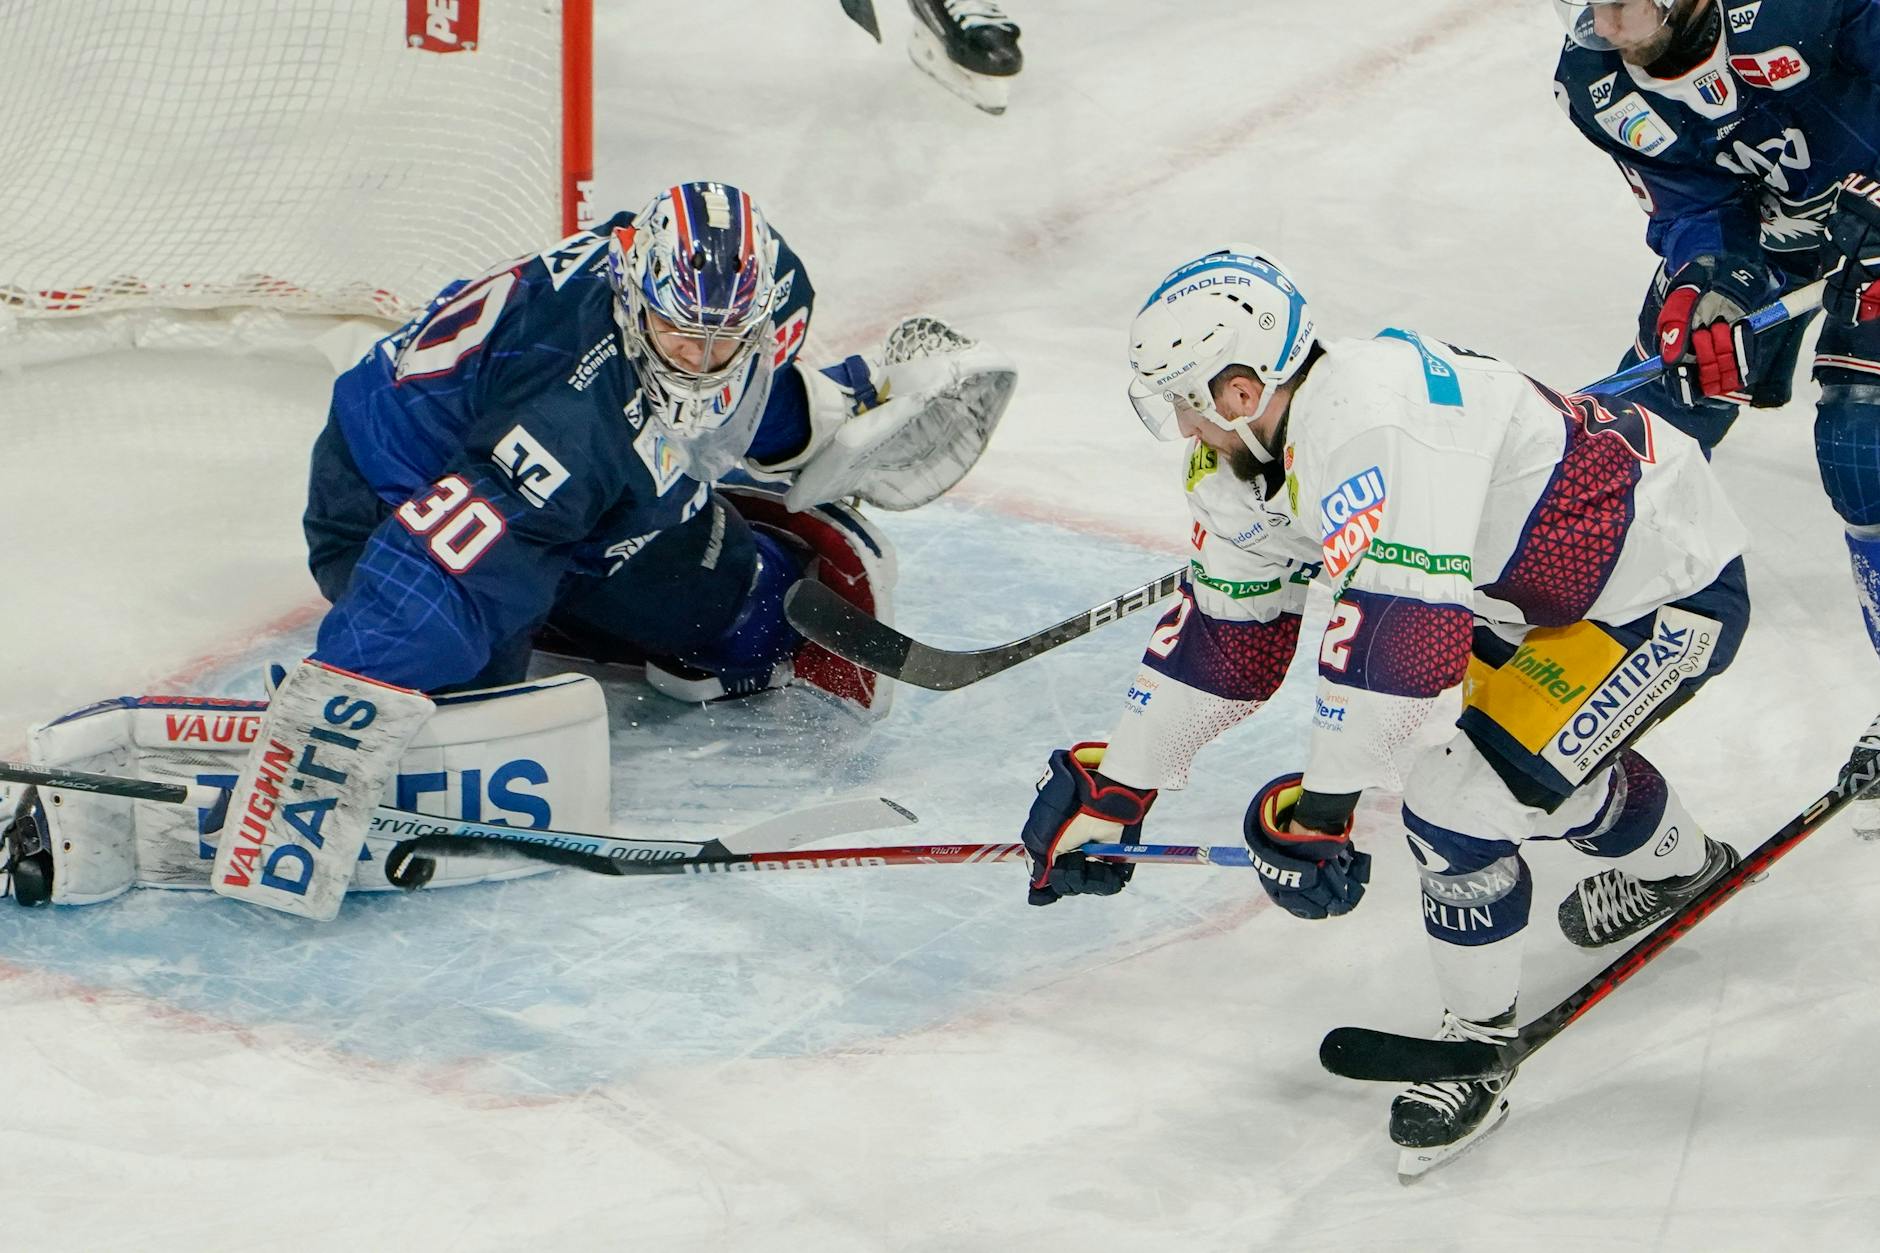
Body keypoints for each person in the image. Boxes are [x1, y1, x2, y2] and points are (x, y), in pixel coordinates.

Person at [1019, 247, 1750, 1177]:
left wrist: (1324, 814)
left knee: (1456, 802)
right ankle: (1680, 868)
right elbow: (1228, 641)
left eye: (1185, 396)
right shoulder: (1241, 462)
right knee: (1524, 771)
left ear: (1242, 389)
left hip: (1664, 588)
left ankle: (1475, 1045)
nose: (1177, 421)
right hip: (1535, 601)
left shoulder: (1372, 422)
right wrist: (1117, 785)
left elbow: (1403, 655)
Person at [179, 179, 1014, 920]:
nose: (702, 359)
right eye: (680, 335)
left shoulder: (753, 288)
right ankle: (530, 601)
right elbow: (438, 571)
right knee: (475, 704)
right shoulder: (566, 419)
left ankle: (835, 411)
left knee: (743, 617)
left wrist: (817, 417)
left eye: (724, 339)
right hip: (387, 501)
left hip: (550, 461)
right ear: (631, 292)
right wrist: (336, 720)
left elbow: (725, 363)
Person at [1549, 0, 1880, 821]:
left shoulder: (1801, 9)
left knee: (1860, 449)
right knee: (1638, 438)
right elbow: (1693, 202)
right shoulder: (1596, 84)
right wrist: (1707, 278)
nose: (1603, 18)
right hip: (1783, 239)